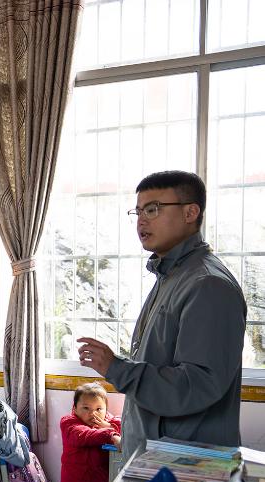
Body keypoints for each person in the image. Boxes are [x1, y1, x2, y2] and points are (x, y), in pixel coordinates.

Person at [77, 171, 246, 460]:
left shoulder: (207, 285)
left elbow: (196, 385)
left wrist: (118, 368)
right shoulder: (171, 276)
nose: (142, 221)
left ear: (190, 212)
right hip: (158, 458)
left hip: (186, 465)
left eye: (153, 209)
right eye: (138, 211)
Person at [60, 383, 121, 482]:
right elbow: (86, 435)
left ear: (106, 410)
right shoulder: (69, 423)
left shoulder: (106, 421)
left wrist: (109, 426)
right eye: (86, 408)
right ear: (75, 408)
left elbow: (123, 424)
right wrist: (111, 434)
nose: (93, 414)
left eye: (99, 409)